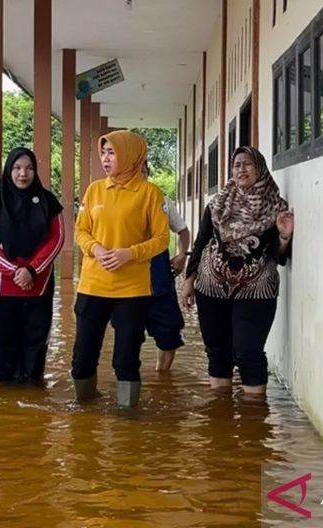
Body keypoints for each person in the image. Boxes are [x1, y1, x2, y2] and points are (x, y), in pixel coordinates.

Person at [182, 146, 294, 395]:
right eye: (236, 165)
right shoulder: (217, 205)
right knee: (217, 352)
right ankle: (221, 419)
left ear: (260, 168)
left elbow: (278, 257)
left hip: (256, 290)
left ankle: (253, 423)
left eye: (247, 164)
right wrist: (189, 280)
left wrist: (284, 237)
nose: (241, 169)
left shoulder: (275, 207)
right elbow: (200, 243)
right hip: (211, 289)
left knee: (248, 352)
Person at [72, 130, 169, 407]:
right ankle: (84, 414)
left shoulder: (149, 193)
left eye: (112, 152)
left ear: (129, 155)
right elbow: (81, 231)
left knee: (126, 358)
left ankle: (128, 419)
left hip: (132, 289)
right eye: (103, 152)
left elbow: (162, 239)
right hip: (93, 284)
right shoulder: (94, 190)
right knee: (83, 356)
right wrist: (96, 248)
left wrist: (131, 254)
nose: (105, 158)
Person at [0, 147, 64, 385]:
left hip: (39, 284)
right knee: (4, 344)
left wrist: (32, 270)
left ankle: (33, 398)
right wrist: (14, 271)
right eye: (17, 168)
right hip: (2, 287)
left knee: (36, 344)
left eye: (29, 168)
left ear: (35, 171)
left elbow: (56, 239)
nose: (23, 174)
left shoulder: (48, 202)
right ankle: (5, 406)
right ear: (9, 170)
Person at [142, 161, 190, 371]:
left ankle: (162, 376)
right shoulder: (112, 201)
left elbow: (183, 231)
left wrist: (181, 256)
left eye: (142, 170)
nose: (138, 174)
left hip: (160, 280)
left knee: (169, 331)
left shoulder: (161, 201)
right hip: (126, 285)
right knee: (127, 335)